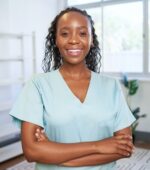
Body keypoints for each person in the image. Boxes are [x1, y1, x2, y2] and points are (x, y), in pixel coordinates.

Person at [9, 7, 136, 170]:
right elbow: (31, 151)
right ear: (55, 39)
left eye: (82, 33)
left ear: (92, 39)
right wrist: (98, 146)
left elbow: (124, 149)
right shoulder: (37, 85)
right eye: (65, 33)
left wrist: (55, 154)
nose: (74, 40)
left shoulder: (111, 86)